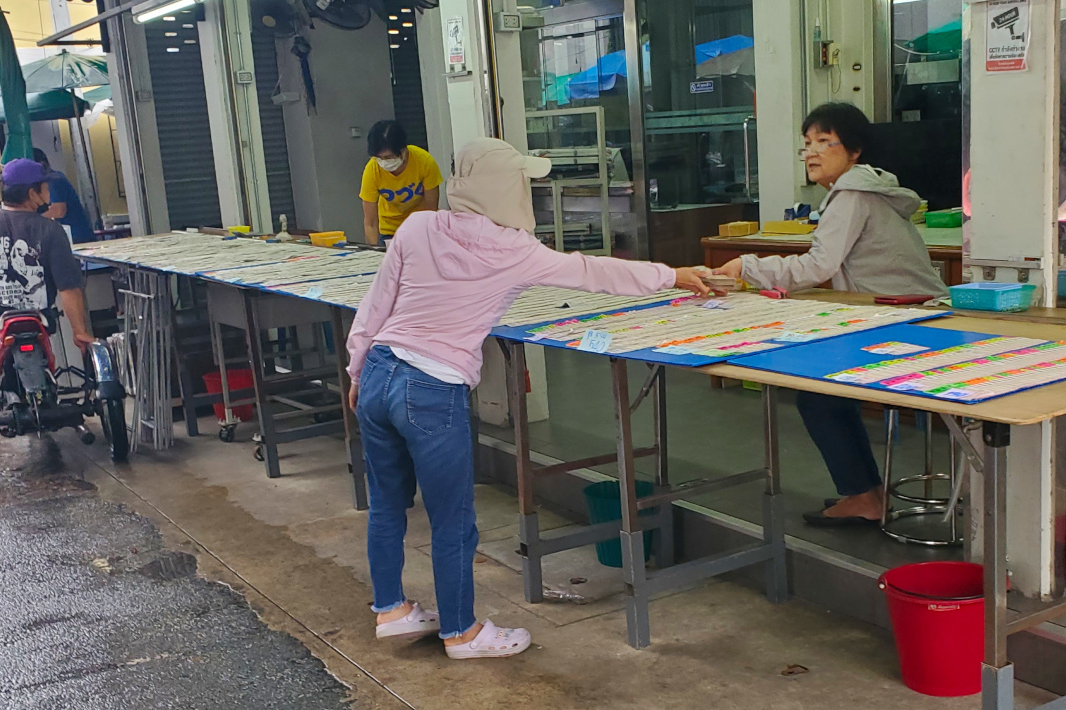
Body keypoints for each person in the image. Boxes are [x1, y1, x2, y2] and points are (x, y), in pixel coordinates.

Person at [346, 138, 710, 659]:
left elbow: (376, 301)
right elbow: (594, 272)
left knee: (386, 505)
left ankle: (391, 611)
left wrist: (356, 367)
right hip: (431, 386)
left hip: (380, 373)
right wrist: (671, 275)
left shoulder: (418, 226)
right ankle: (461, 633)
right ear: (505, 188)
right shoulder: (516, 251)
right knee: (453, 520)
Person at [712, 102, 948, 528]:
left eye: (824, 141)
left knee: (819, 397)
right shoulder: (862, 190)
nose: (812, 152)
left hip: (907, 322)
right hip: (912, 315)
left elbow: (817, 267)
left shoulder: (851, 194)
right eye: (807, 144)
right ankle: (867, 493)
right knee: (826, 394)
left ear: (854, 151)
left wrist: (746, 265)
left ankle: (864, 496)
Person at [0, 159, 94, 457]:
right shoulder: (51, 231)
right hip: (38, 316)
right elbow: (69, 288)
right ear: (32, 194)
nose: (47, 192)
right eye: (44, 187)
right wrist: (80, 333)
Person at [359, 120, 441, 247]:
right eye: (379, 158)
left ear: (403, 150)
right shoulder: (372, 169)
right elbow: (370, 222)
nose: (384, 162)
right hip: (388, 231)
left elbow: (431, 212)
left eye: (389, 157)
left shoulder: (424, 162)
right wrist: (374, 251)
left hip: (419, 229)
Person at [33, 148, 97, 244]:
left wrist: (32, 220)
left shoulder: (54, 180)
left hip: (78, 238)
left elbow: (59, 211)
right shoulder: (49, 180)